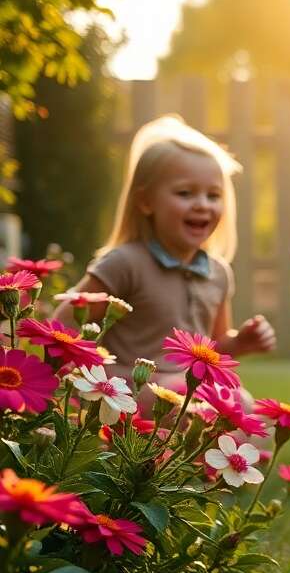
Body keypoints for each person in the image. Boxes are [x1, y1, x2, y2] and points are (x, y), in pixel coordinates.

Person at [57, 115, 274, 388]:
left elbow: (212, 350)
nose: (202, 205)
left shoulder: (218, 274)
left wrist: (240, 342)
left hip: (187, 393)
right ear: (146, 201)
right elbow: (62, 326)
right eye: (185, 193)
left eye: (213, 195)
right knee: (182, 389)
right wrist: (80, 380)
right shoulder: (125, 263)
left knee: (244, 402)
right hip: (127, 390)